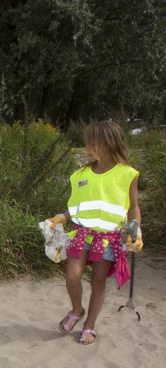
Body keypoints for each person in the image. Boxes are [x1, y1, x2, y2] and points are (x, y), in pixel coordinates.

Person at [48, 121, 143, 345]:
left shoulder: (127, 174)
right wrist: (61, 217)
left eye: (92, 144)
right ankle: (76, 310)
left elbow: (133, 207)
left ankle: (89, 325)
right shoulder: (81, 174)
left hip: (109, 238)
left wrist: (135, 232)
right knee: (72, 276)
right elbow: (78, 206)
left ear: (108, 144)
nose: (87, 149)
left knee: (98, 282)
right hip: (82, 234)